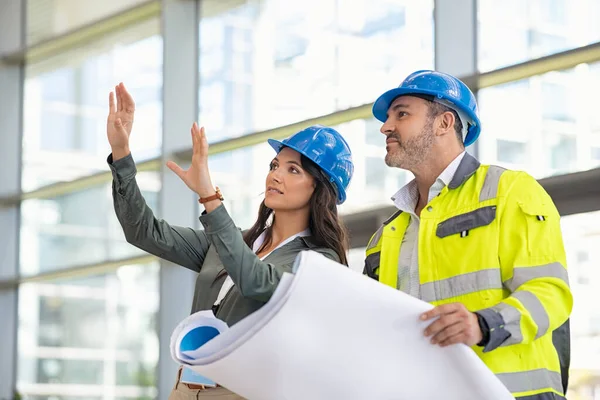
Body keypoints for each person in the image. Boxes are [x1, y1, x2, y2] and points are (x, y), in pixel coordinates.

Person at [106, 83, 354, 399]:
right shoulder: (231, 241)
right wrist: (122, 155)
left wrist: (210, 197)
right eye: (275, 165)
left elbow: (256, 282)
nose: (276, 175)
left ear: (320, 190)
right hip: (184, 387)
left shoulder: (319, 262)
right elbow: (143, 231)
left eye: (293, 170)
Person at [363, 70, 572, 399]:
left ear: (444, 123)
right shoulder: (388, 234)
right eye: (389, 117)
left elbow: (550, 293)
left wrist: (484, 323)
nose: (385, 127)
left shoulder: (509, 191)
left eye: (401, 113)